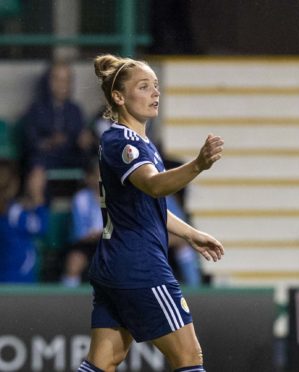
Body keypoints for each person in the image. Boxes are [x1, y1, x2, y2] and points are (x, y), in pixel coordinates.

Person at [77, 54, 224, 372]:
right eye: (144, 87)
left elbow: (147, 206)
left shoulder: (135, 141)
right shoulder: (124, 143)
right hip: (140, 267)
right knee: (188, 357)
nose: (155, 93)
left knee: (104, 361)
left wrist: (191, 233)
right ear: (119, 97)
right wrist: (198, 164)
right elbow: (155, 187)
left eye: (156, 86)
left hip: (114, 264)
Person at [18, 60, 95, 174]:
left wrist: (85, 142)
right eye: (58, 79)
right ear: (49, 81)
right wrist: (49, 142)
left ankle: (93, 192)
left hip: (71, 157)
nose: (62, 85)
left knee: (97, 165)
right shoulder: (36, 109)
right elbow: (30, 142)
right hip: (46, 158)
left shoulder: (75, 110)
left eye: (67, 80)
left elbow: (82, 139)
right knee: (36, 169)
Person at [0, 161, 48, 283]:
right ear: (13, 184)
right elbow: (40, 227)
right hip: (17, 280)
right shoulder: (13, 212)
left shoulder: (12, 210)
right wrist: (38, 193)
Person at [61, 159, 102, 287]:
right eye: (97, 175)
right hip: (87, 244)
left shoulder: (116, 198)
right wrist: (98, 235)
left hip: (111, 243)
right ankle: (66, 303)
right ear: (88, 178)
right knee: (74, 262)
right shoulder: (80, 199)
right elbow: (80, 233)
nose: (101, 178)